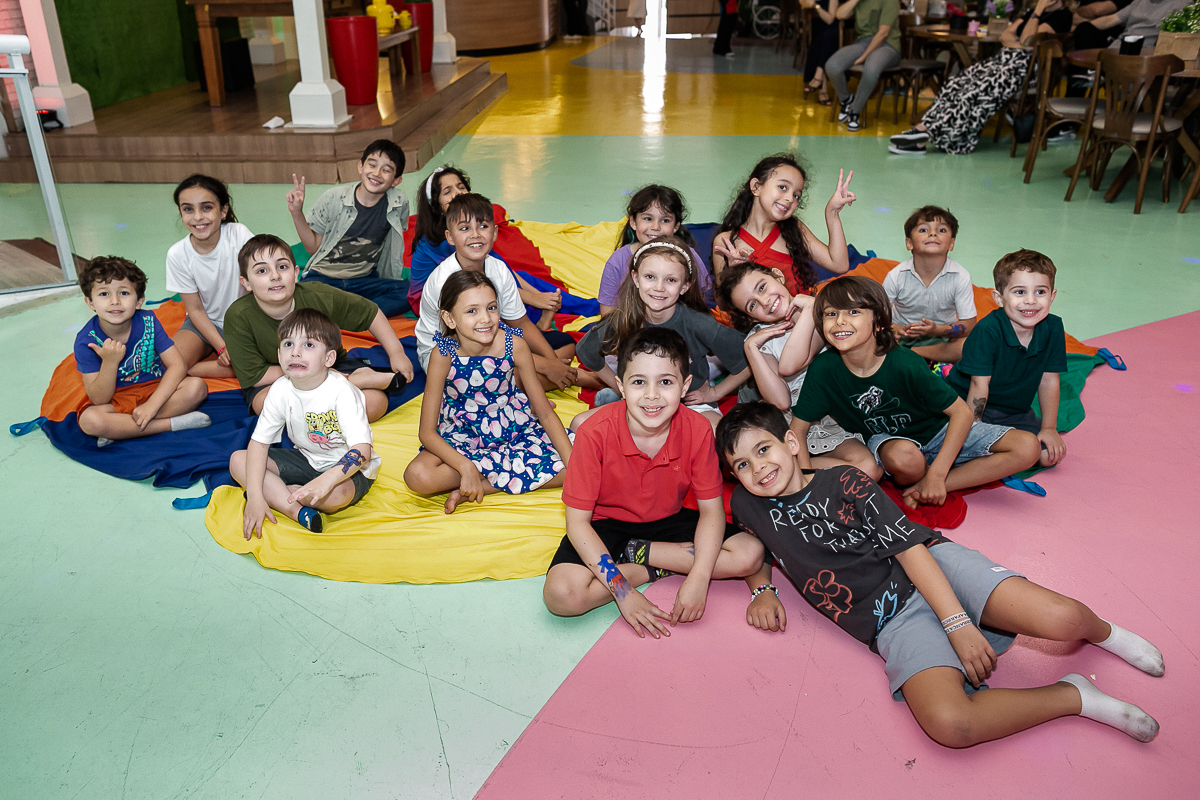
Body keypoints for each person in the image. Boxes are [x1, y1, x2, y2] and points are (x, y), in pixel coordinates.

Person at [717, 402, 1164, 747]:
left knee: (1064, 622)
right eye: (741, 464)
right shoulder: (746, 505)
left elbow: (910, 550)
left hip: (931, 566)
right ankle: (1075, 696)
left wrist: (958, 623)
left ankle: (1106, 633)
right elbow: (756, 552)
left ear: (792, 444)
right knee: (951, 724)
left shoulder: (845, 481)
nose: (757, 468)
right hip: (888, 621)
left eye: (763, 449)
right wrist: (761, 590)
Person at [542, 328, 766, 638]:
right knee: (561, 595)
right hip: (607, 525)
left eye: (665, 382)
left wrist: (698, 580)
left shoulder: (698, 429)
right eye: (638, 382)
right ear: (621, 386)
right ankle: (651, 567)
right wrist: (624, 593)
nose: (651, 395)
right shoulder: (595, 433)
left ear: (684, 386)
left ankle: (642, 554)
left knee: (750, 553)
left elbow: (712, 511)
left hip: (669, 520)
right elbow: (578, 523)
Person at [792, 275, 1040, 507]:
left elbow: (962, 414)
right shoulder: (824, 370)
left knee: (1028, 447)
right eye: (831, 314)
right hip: (891, 443)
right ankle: (925, 480)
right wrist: (805, 484)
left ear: (878, 322)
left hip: (939, 432)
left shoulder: (904, 362)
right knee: (903, 457)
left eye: (854, 312)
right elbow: (798, 430)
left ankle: (929, 485)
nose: (840, 321)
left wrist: (938, 475)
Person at [403, 271, 574, 514]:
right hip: (464, 435)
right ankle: (487, 475)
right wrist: (465, 467)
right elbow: (427, 432)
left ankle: (487, 485)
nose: (485, 318)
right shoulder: (442, 355)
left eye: (491, 308)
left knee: (580, 470)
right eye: (472, 311)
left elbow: (545, 413)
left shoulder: (514, 345)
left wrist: (574, 468)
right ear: (449, 319)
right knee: (418, 476)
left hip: (515, 431)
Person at [223, 233, 414, 421]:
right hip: (278, 376)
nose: (275, 276)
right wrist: (320, 376)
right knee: (266, 406)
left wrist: (396, 352)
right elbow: (256, 376)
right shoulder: (238, 316)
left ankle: (342, 390)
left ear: (296, 273)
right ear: (246, 282)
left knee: (374, 403)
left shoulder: (317, 294)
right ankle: (351, 382)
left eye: (282, 267)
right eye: (262, 271)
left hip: (331, 364)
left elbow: (370, 313)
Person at [717, 259, 879, 477]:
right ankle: (796, 469)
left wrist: (812, 306)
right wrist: (752, 348)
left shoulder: (826, 312)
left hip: (830, 418)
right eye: (752, 305)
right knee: (862, 471)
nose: (764, 301)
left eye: (763, 287)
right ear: (751, 317)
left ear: (777, 275)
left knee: (869, 469)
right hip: (790, 423)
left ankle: (797, 471)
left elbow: (789, 365)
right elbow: (780, 400)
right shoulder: (761, 339)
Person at [230, 308, 381, 537]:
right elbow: (259, 444)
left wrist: (328, 480)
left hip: (347, 470)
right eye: (288, 344)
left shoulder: (342, 392)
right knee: (238, 460)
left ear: (329, 358)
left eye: (308, 345)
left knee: (334, 497)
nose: (296, 353)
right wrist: (255, 496)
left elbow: (362, 451)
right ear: (279, 356)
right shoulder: (280, 389)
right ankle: (295, 510)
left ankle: (279, 494)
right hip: (307, 458)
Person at [576, 237, 750, 428]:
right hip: (640, 404)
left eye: (671, 280)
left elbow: (750, 356)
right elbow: (587, 351)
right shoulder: (622, 320)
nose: (659, 287)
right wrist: (621, 386)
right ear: (635, 278)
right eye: (650, 277)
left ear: (685, 286)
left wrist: (715, 393)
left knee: (717, 437)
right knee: (581, 425)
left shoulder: (700, 324)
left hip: (691, 405)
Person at [413, 193, 579, 391]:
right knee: (509, 369)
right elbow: (468, 345)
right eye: (465, 228)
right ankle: (572, 379)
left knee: (566, 345)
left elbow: (522, 323)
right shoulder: (444, 281)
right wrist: (544, 365)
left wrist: (553, 364)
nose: (475, 234)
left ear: (495, 233)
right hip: (448, 353)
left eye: (483, 226)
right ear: (449, 236)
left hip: (487, 336)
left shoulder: (498, 269)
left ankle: (528, 379)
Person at [409, 165, 598, 332]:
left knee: (524, 277)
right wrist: (532, 299)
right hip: (441, 297)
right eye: (447, 191)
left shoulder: (469, 235)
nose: (457, 193)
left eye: (461, 187)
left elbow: (502, 267)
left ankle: (589, 307)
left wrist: (537, 295)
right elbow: (485, 280)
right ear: (436, 205)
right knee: (488, 300)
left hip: (470, 281)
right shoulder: (441, 240)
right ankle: (536, 321)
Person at [888, 0, 1076, 155]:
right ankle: (923, 129)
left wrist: (1038, 12)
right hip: (1001, 61)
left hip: (1024, 70)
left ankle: (929, 137)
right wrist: (1023, 40)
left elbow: (1028, 38)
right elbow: (1006, 35)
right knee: (955, 83)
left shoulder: (1062, 16)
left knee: (973, 92)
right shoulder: (1031, 13)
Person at [946, 249, 1068, 468]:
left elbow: (1049, 379)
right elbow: (978, 385)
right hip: (966, 406)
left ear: (1053, 296)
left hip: (1013, 413)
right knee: (955, 443)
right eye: (1020, 292)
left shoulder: (1054, 327)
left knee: (1047, 456)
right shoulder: (988, 330)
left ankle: (994, 450)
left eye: (1040, 292)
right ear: (999, 298)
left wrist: (1049, 428)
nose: (1031, 301)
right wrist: (973, 429)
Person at [73, 256, 211, 446]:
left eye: (123, 293)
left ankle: (122, 429)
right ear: (90, 303)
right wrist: (110, 362)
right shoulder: (86, 340)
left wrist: (152, 405)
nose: (115, 301)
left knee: (196, 387)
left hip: (155, 388)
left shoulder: (149, 321)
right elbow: (99, 398)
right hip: (117, 398)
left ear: (139, 301)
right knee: (90, 420)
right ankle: (171, 424)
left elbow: (177, 366)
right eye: (104, 294)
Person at [287, 139, 411, 317]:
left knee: (407, 291)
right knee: (302, 298)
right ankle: (363, 314)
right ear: (360, 166)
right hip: (324, 278)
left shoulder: (399, 202)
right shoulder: (334, 198)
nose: (377, 173)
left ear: (396, 180)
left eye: (386, 170)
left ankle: (348, 314)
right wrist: (296, 212)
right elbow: (312, 247)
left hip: (364, 280)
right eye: (372, 165)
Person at [711, 155, 855, 294]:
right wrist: (734, 275)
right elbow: (723, 306)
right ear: (756, 187)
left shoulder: (794, 229)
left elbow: (839, 265)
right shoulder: (726, 242)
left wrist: (832, 213)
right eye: (783, 187)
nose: (789, 199)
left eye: (796, 195)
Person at [165, 174, 253, 379]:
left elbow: (259, 283)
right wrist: (221, 348)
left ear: (223, 211)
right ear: (180, 212)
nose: (197, 217)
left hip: (244, 321)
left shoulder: (238, 234)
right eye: (188, 209)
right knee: (170, 364)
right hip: (205, 324)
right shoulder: (177, 254)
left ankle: (194, 371)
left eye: (206, 207)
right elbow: (194, 310)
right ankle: (239, 368)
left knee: (275, 354)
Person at [598, 184, 713, 314]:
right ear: (633, 222)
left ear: (675, 227)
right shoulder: (618, 260)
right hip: (631, 328)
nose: (656, 227)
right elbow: (607, 313)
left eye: (665, 220)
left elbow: (699, 303)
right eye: (648, 218)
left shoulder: (688, 256)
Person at [882, 206, 977, 364]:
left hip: (942, 338)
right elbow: (875, 316)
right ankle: (911, 354)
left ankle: (912, 354)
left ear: (951, 244)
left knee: (970, 345)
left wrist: (937, 330)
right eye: (923, 230)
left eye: (941, 230)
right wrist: (897, 329)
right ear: (909, 243)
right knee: (869, 336)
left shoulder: (960, 276)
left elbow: (969, 324)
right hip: (901, 337)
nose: (933, 233)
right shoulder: (896, 276)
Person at [825, 0, 903, 132]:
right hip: (863, 43)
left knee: (871, 69)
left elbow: (883, 34)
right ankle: (846, 100)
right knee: (832, 66)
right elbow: (839, 14)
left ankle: (855, 111)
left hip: (888, 45)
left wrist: (864, 57)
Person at [1085, 0, 1193, 51]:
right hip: (1118, 49)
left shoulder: (1183, 4)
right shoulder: (1139, 2)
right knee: (1084, 30)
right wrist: (1080, 27)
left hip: (1147, 54)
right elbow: (1111, 20)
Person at [801, 0, 842, 106]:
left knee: (828, 37)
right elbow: (803, 4)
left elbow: (830, 20)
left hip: (836, 31)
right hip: (817, 33)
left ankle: (818, 78)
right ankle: (822, 90)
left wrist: (815, 6)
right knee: (825, 40)